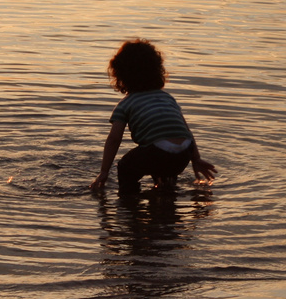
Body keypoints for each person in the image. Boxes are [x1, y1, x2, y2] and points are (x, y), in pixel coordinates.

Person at [88, 39, 218, 196]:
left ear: (120, 75)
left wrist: (104, 171)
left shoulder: (125, 104)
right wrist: (196, 159)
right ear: (157, 70)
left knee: (125, 167)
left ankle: (129, 206)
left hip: (156, 152)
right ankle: (166, 193)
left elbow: (114, 138)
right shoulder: (167, 98)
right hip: (184, 152)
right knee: (164, 165)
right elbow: (185, 131)